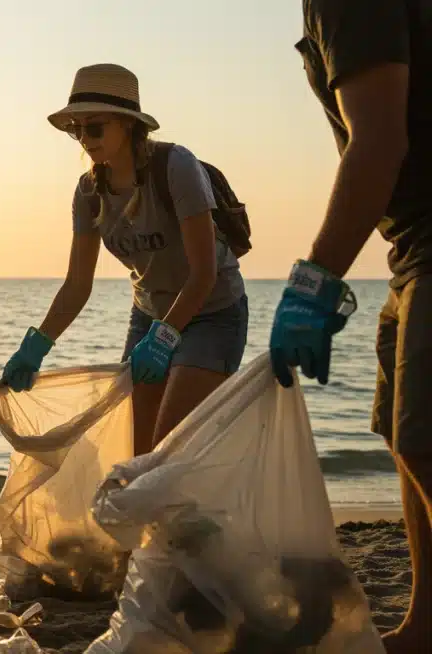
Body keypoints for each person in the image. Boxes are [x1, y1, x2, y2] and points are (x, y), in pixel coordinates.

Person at [276, 3, 428, 651]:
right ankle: (425, 624)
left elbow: (379, 142)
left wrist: (313, 284)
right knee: (403, 438)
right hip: (409, 247)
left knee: (425, 440)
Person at [0, 64, 249, 456]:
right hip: (148, 316)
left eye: (95, 128)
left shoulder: (176, 167)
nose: (85, 139)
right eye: (77, 130)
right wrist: (36, 345)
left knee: (170, 449)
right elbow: (77, 285)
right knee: (138, 454)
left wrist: (165, 339)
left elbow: (204, 273)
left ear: (128, 125)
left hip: (213, 313)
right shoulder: (88, 192)